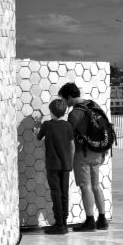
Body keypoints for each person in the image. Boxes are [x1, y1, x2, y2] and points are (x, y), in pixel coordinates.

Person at [59, 81, 114, 230]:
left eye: (64, 100)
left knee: (86, 187)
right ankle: (102, 220)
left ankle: (90, 221)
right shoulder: (93, 105)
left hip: (82, 155)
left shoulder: (74, 113)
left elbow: (69, 138)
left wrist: (68, 160)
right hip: (98, 152)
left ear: (69, 97)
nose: (64, 103)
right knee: (96, 186)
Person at [36, 98, 77, 234]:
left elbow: (38, 137)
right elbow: (72, 146)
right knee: (64, 193)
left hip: (53, 165)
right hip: (66, 165)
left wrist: (36, 126)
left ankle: (59, 224)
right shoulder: (68, 126)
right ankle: (64, 222)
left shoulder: (47, 125)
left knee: (56, 193)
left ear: (51, 111)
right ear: (64, 112)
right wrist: (70, 162)